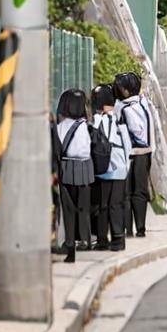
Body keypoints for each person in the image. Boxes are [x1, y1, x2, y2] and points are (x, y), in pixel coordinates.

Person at [54, 88, 94, 260]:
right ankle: (85, 239)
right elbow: (85, 148)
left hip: (66, 168)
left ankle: (69, 241)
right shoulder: (84, 125)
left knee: (68, 208)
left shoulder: (61, 126)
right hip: (84, 167)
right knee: (84, 206)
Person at [114, 71, 155, 238]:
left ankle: (127, 229)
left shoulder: (124, 107)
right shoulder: (144, 103)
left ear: (125, 90)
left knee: (126, 193)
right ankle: (141, 227)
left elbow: (125, 131)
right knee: (140, 191)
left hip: (129, 154)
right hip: (146, 154)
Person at [91, 83, 131, 252]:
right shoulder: (119, 119)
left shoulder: (101, 120)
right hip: (119, 168)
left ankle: (105, 239)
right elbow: (127, 144)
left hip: (106, 168)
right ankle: (116, 238)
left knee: (104, 205)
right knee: (114, 204)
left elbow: (101, 139)